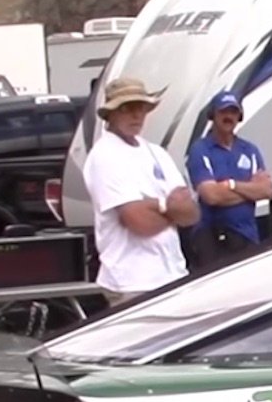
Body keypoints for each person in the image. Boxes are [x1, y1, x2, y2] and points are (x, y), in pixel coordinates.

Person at [83, 76, 200, 304]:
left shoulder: (157, 153)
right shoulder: (105, 156)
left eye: (141, 107)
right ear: (111, 114)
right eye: (127, 108)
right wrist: (168, 206)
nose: (137, 115)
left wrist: (154, 207)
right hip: (131, 283)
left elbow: (191, 214)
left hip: (172, 276)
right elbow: (139, 222)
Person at [189, 91, 272, 258]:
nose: (229, 116)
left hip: (248, 235)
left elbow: (266, 191)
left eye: (233, 112)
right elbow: (211, 196)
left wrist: (231, 185)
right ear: (213, 115)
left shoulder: (250, 150)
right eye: (223, 111)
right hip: (212, 238)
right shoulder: (200, 149)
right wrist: (250, 191)